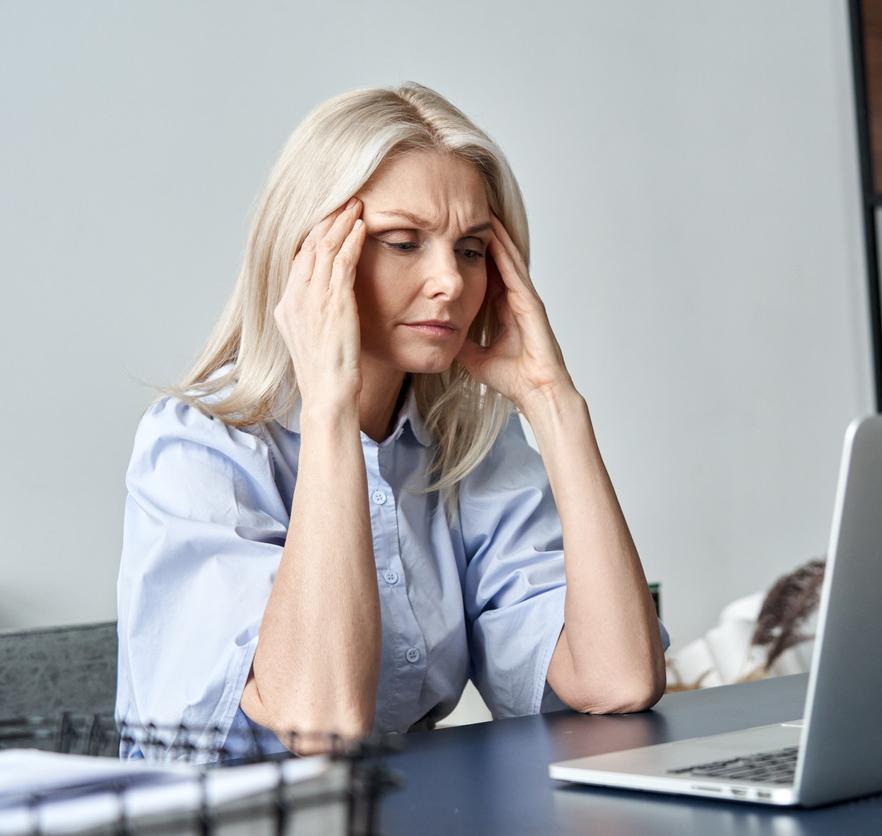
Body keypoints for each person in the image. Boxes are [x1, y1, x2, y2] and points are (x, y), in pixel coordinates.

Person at [115, 81, 670, 761]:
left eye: (470, 250)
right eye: (404, 242)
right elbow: (319, 720)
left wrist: (554, 404)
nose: (451, 282)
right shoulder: (197, 446)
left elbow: (617, 680)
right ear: (309, 255)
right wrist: (329, 408)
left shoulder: (468, 443)